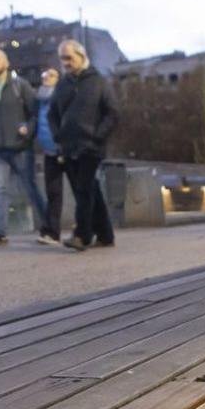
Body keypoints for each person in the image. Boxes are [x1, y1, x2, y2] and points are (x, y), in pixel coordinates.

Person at [48, 39, 120, 252]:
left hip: (91, 147)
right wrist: (57, 135)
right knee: (90, 190)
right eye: (62, 58)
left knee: (83, 190)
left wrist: (98, 136)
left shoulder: (98, 82)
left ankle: (82, 235)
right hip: (68, 147)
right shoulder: (62, 84)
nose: (66, 62)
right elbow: (52, 113)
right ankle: (106, 234)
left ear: (81, 56)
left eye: (69, 58)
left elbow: (113, 113)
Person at [0, 46, 50, 246]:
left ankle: (48, 229)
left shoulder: (21, 85)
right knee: (0, 190)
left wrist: (28, 129)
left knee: (30, 188)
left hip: (20, 148)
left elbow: (35, 113)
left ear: (6, 62)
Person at [35, 68, 64, 244]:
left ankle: (90, 227)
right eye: (44, 75)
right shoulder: (39, 98)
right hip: (48, 151)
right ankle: (51, 231)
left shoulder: (61, 96)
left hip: (64, 149)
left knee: (80, 190)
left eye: (51, 75)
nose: (46, 78)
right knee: (53, 191)